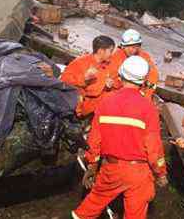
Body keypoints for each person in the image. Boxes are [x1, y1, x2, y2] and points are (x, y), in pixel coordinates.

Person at [72, 56, 168, 219]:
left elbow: (94, 140)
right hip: (138, 172)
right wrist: (161, 173)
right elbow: (154, 148)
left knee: (87, 210)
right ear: (143, 81)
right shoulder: (148, 108)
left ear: (121, 75)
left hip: (111, 168)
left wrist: (92, 166)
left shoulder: (105, 102)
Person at [61, 36, 116, 118]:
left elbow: (99, 89)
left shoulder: (107, 65)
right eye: (110, 51)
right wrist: (84, 79)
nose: (111, 55)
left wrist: (107, 86)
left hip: (94, 102)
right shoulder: (81, 62)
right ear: (101, 51)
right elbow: (64, 80)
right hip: (78, 104)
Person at [110, 29, 159, 99]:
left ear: (139, 46)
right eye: (129, 47)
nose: (132, 50)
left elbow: (153, 77)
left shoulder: (144, 57)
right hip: (119, 92)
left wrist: (146, 95)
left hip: (139, 92)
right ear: (123, 46)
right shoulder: (116, 57)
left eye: (135, 47)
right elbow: (112, 79)